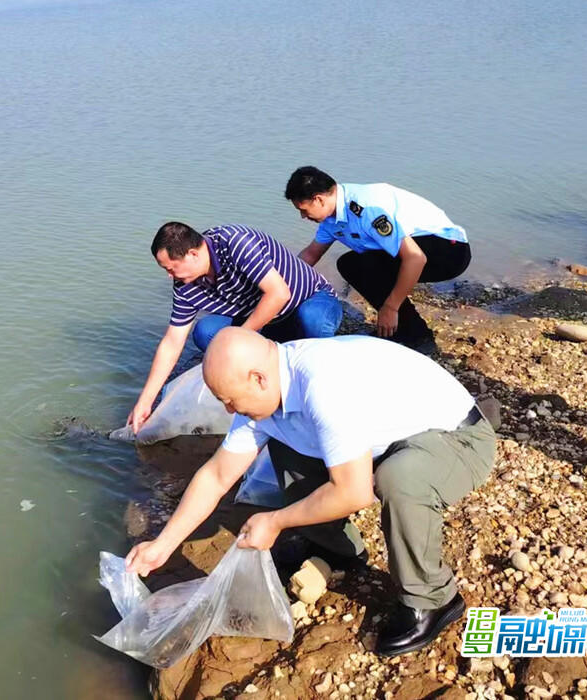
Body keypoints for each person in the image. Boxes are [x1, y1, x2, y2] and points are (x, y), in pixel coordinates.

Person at [125, 327, 496, 657]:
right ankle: (338, 550)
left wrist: (276, 520)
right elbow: (217, 475)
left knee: (400, 479)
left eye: (230, 400)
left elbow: (353, 493)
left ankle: (432, 599)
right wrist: (163, 545)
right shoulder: (266, 386)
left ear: (257, 378)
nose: (228, 409)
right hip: (390, 438)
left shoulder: (322, 384)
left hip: (458, 438)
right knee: (288, 441)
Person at [126, 222, 342, 433]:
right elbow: (172, 342)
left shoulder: (234, 243)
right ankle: (269, 357)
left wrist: (238, 341)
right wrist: (145, 401)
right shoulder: (185, 285)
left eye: (171, 268)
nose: (169, 276)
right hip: (262, 320)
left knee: (313, 320)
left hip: (307, 302)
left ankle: (314, 378)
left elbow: (279, 294)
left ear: (193, 254)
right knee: (205, 333)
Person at [284, 166, 471, 352]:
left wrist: (390, 307)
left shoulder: (365, 208)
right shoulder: (330, 220)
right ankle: (402, 330)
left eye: (303, 210)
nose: (302, 216)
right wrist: (281, 284)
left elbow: (415, 258)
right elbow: (310, 254)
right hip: (418, 251)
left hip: (448, 250)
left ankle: (417, 336)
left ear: (318, 199)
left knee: (361, 265)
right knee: (351, 264)